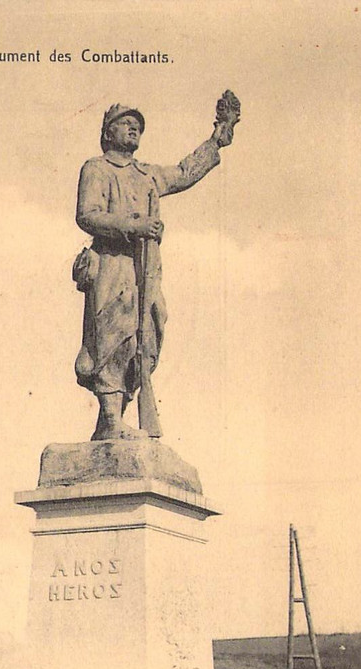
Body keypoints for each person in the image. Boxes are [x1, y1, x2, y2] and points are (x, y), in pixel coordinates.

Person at [73, 93, 241, 441]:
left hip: (144, 270)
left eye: (137, 125)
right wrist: (133, 226)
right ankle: (110, 418)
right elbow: (87, 215)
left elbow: (182, 174)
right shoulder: (96, 168)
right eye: (125, 123)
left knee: (146, 334)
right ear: (108, 132)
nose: (133, 128)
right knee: (112, 336)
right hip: (112, 266)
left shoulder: (146, 174)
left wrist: (216, 140)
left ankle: (112, 421)